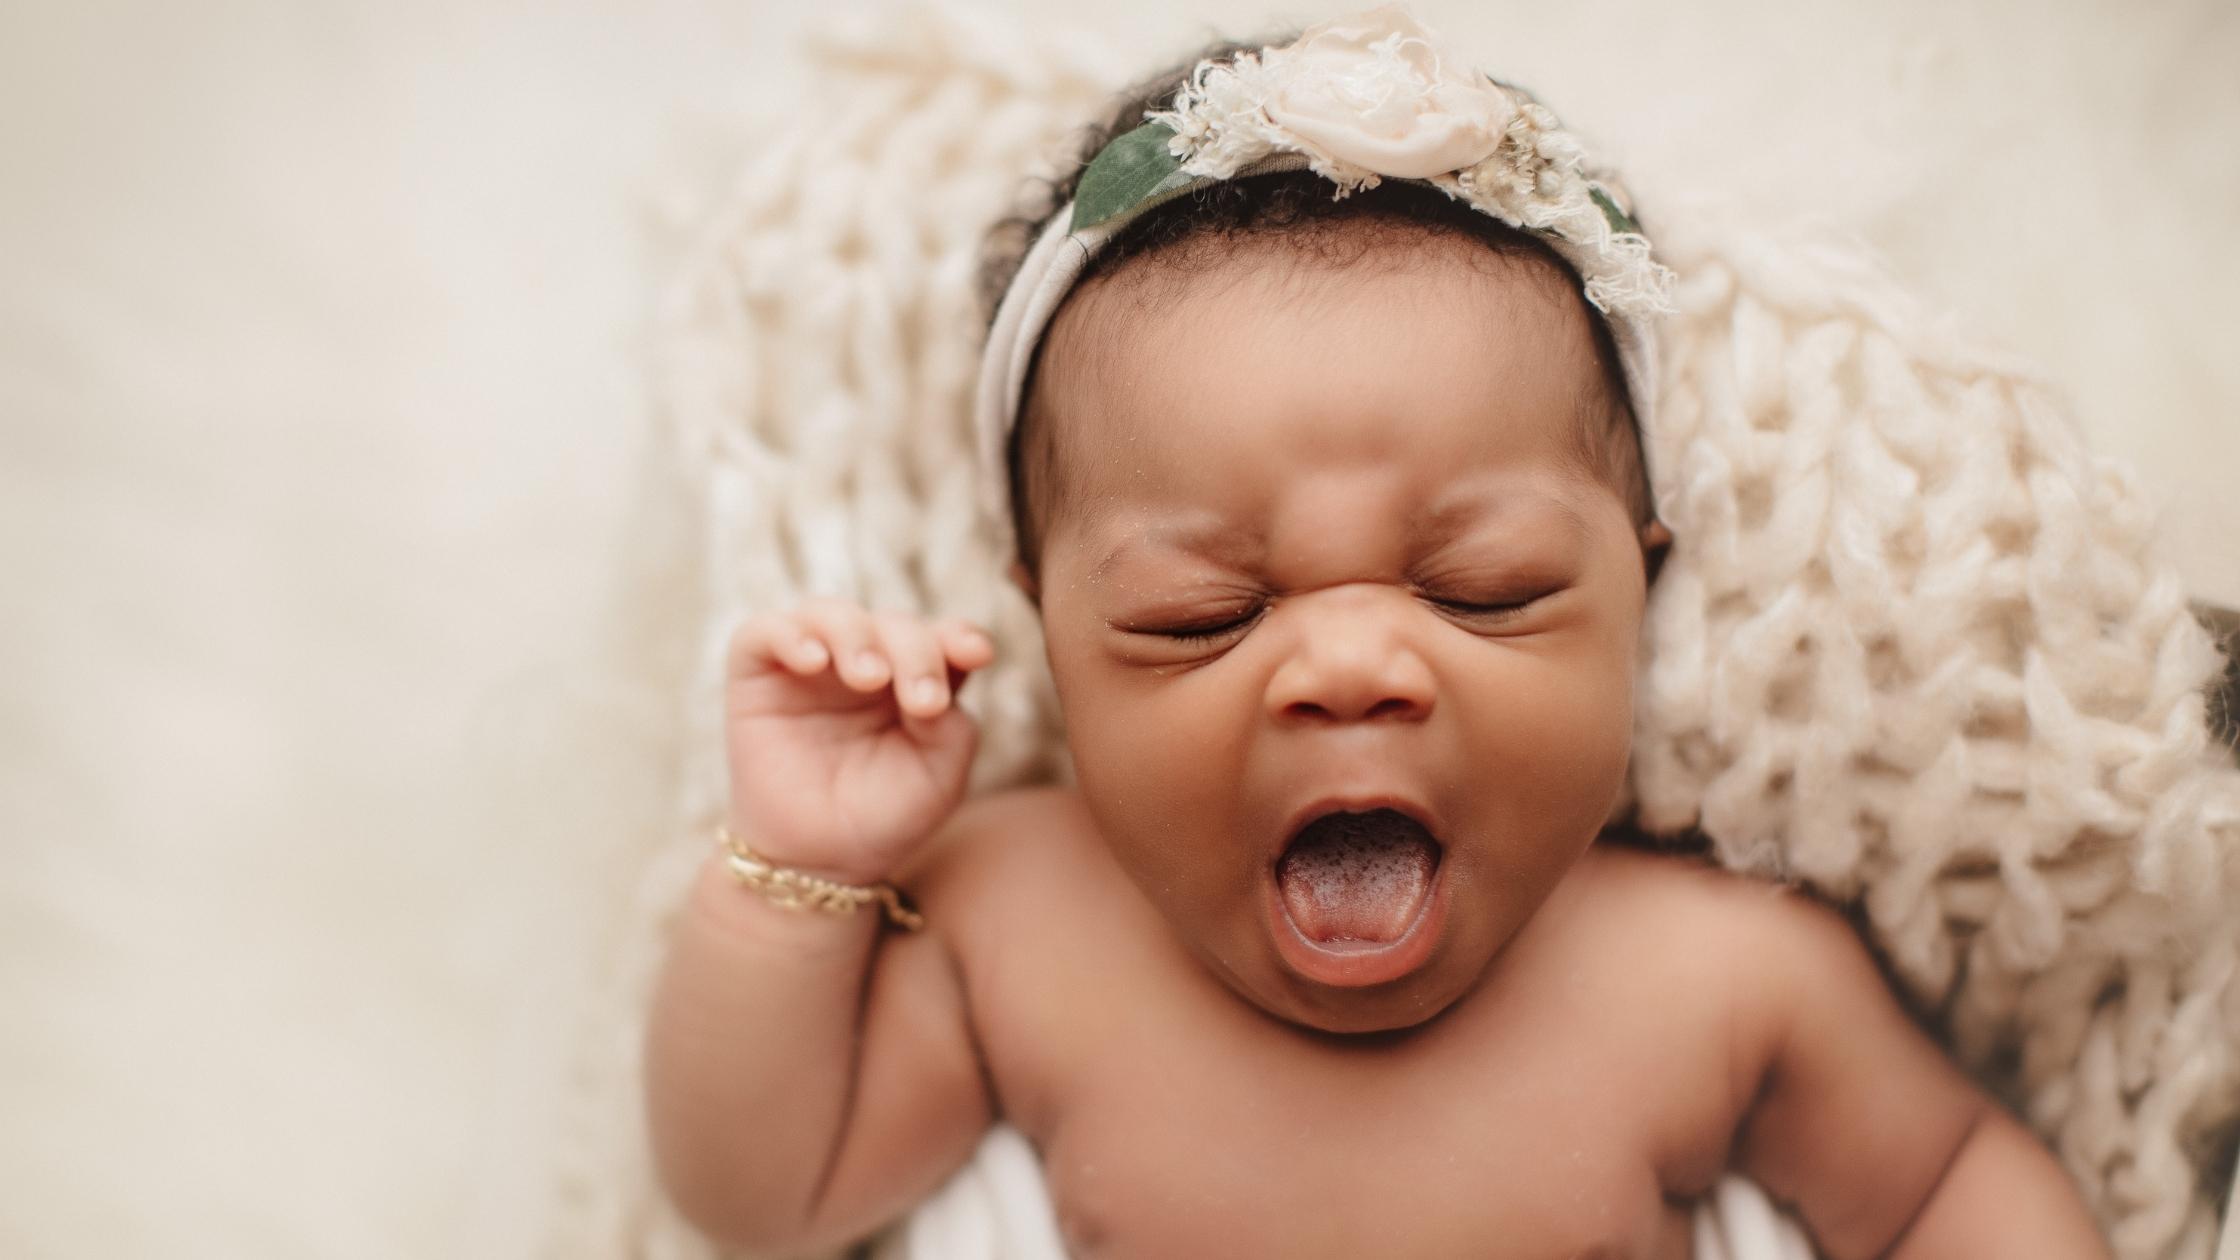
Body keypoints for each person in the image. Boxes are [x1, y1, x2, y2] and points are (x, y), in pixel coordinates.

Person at [642, 10, 2112, 1256]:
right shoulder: (1020, 918)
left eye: (1486, 589)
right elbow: (771, 1193)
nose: (1348, 668)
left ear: (1638, 594)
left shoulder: (1719, 978)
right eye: (1197, 617)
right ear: (1049, 630)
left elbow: (1942, 1185)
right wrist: (793, 879)